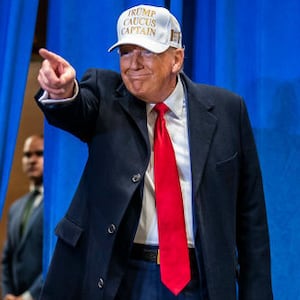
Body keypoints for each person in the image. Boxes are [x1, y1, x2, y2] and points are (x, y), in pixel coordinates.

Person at [35, 4, 273, 300]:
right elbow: (75, 108)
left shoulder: (227, 110)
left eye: (146, 51)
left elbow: (251, 219)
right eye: (125, 52)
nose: (132, 64)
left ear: (176, 58)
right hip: (120, 275)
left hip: (199, 279)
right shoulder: (105, 94)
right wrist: (62, 92)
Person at [1, 135, 44, 300]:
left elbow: (56, 258)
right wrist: (8, 294)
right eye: (27, 155)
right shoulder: (15, 207)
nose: (32, 160)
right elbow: (7, 258)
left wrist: (28, 297)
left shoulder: (58, 207)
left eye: (39, 154)